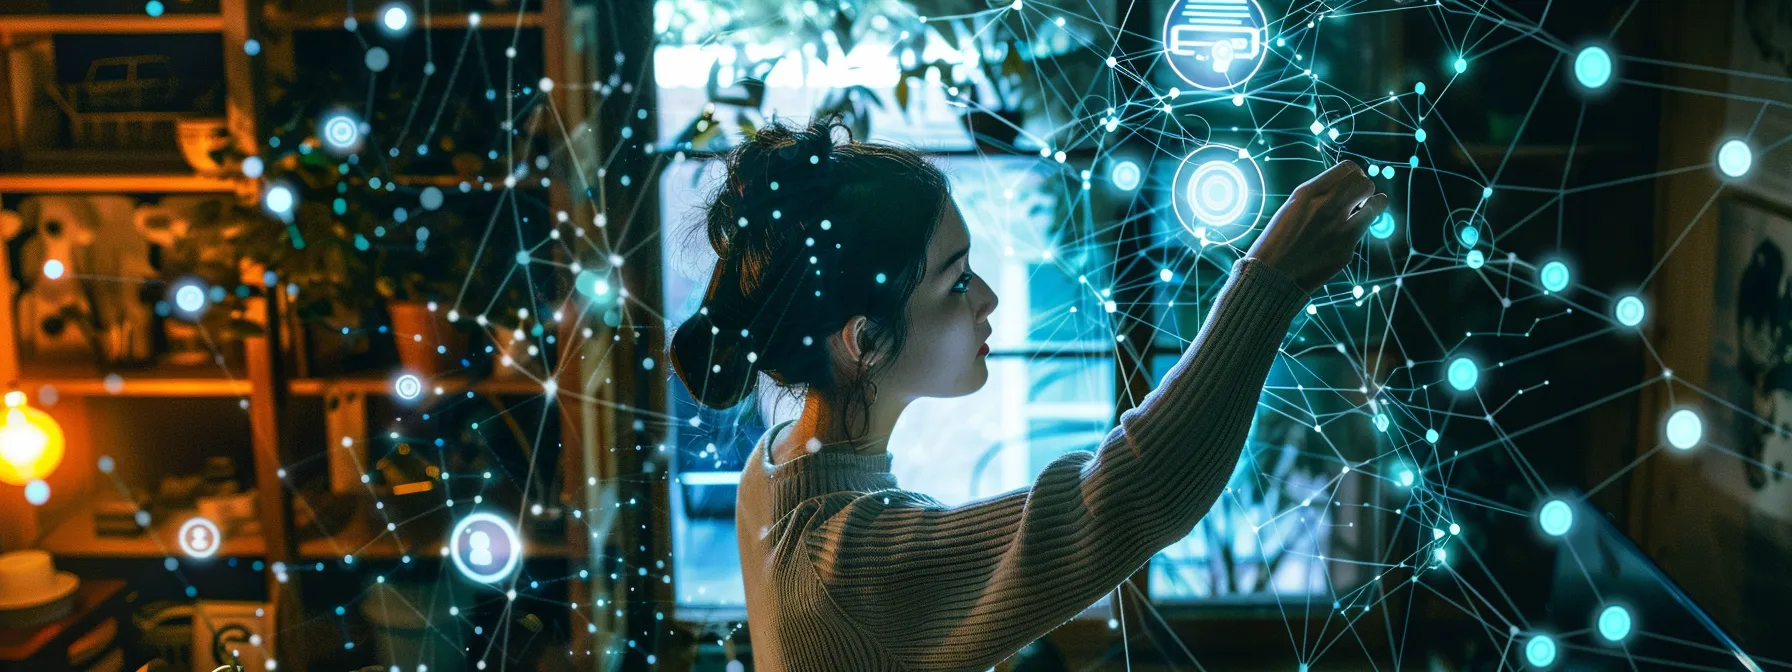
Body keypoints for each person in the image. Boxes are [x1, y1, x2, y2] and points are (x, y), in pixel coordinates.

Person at [668, 115, 1388, 672]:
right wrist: (1271, 280)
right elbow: (1134, 494)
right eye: (954, 282)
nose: (986, 299)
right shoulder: (848, 568)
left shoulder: (775, 466)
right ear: (863, 342)